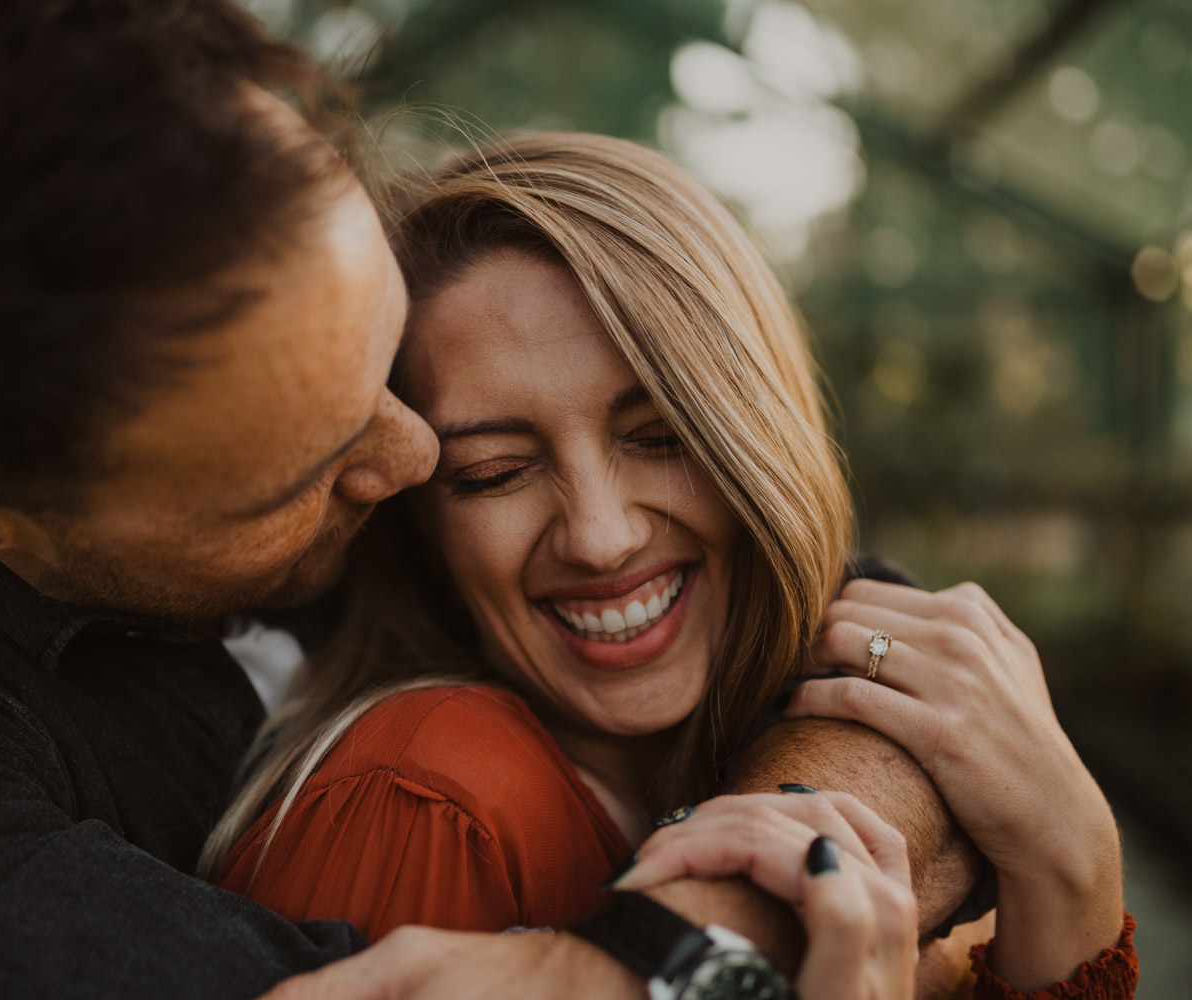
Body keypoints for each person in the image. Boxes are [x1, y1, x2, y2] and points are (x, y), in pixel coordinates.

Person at [0, 1, 986, 997]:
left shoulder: (415, 494)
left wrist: (733, 899)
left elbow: (852, 618)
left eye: (384, 369)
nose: (411, 463)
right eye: (305, 471)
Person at [208, 133, 1137, 998]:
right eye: (495, 472)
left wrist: (1073, 868)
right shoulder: (426, 800)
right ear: (419, 524)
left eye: (661, 436)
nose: (602, 537)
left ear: (760, 438)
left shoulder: (724, 754)